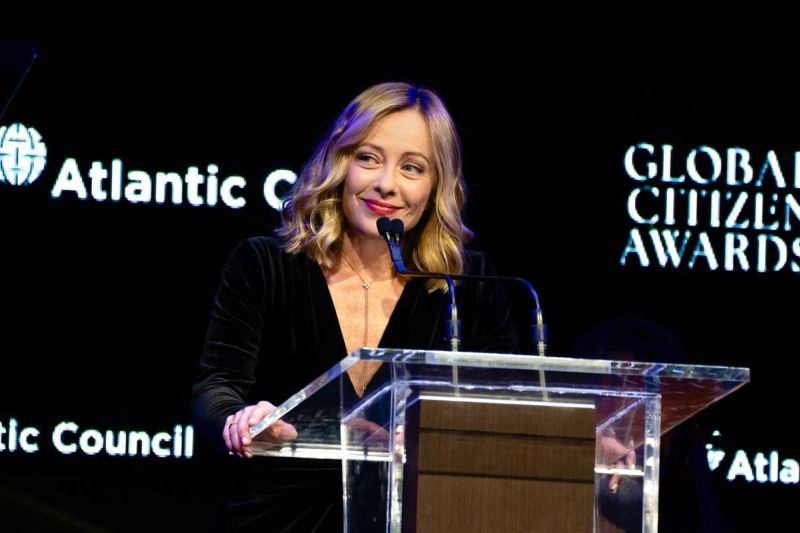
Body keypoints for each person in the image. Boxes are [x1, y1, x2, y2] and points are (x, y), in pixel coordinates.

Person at [191, 81, 519, 532]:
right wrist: (240, 420)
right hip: (273, 517)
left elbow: (506, 411)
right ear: (339, 162)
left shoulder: (466, 285)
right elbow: (217, 388)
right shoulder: (265, 264)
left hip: (416, 517)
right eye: (368, 158)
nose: (386, 184)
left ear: (437, 183)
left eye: (412, 167)